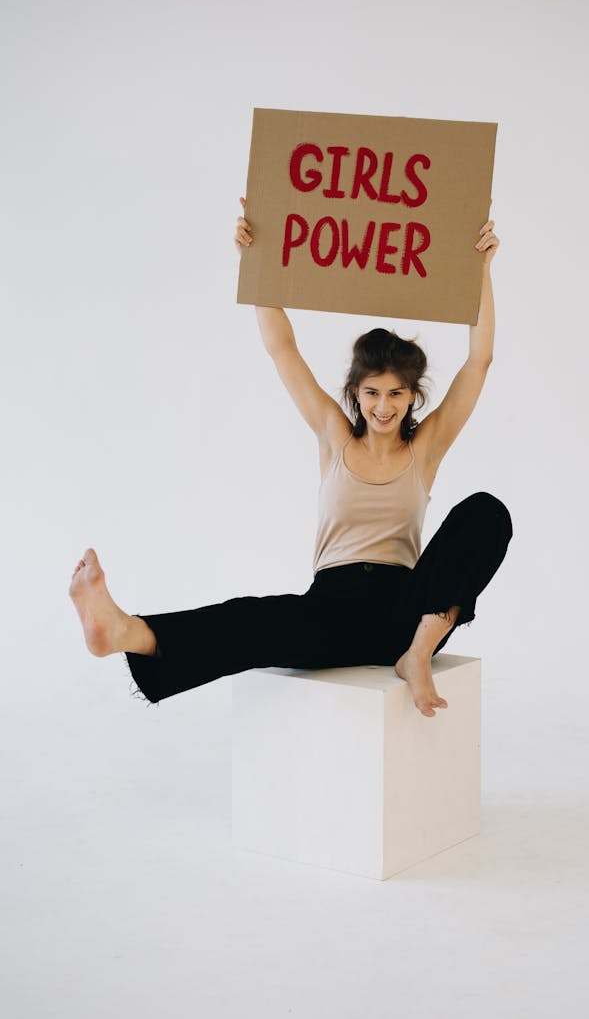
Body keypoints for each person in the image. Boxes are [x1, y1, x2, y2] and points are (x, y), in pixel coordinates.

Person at [69, 196, 513, 717]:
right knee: (255, 619)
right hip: (332, 609)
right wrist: (254, 263)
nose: (384, 406)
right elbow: (283, 349)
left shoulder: (427, 446)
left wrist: (480, 268)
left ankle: (415, 658)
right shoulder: (333, 436)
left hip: (408, 613)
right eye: (372, 393)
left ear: (413, 396)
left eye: (396, 394)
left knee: (486, 512)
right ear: (356, 393)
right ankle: (124, 631)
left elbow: (479, 360)